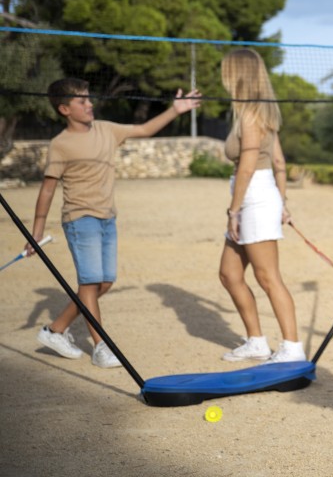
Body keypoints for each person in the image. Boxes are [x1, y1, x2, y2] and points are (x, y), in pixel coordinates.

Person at [28, 78, 202, 368]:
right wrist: (36, 232)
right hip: (80, 219)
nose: (90, 104)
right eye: (82, 101)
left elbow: (144, 130)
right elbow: (47, 190)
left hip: (108, 218)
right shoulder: (60, 145)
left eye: (89, 98)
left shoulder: (106, 129)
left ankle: (55, 330)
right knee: (90, 283)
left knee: (105, 282)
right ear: (64, 109)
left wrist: (175, 110)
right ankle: (101, 347)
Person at [217, 48, 305, 364]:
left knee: (268, 277)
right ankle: (256, 342)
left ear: (236, 75)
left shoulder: (252, 115)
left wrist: (234, 211)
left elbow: (247, 167)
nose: (223, 76)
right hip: (259, 196)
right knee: (229, 274)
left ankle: (292, 347)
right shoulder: (255, 112)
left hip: (253, 198)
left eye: (226, 71)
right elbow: (279, 162)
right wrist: (281, 203)